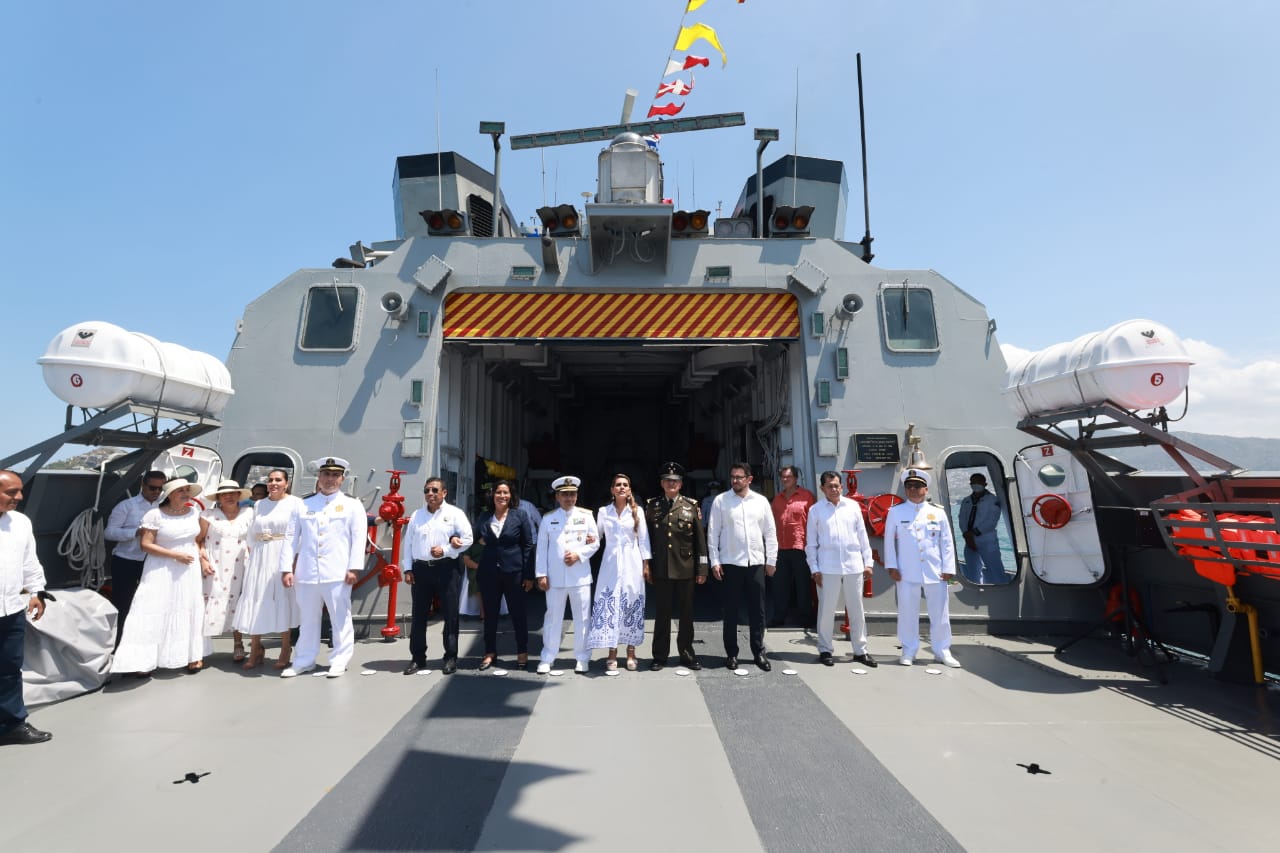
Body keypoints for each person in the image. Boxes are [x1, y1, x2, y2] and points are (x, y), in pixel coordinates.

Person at [109, 478, 207, 675]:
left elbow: (196, 539)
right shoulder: (154, 515)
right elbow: (146, 544)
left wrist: (201, 554)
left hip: (188, 567)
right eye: (181, 490)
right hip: (162, 566)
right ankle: (143, 661)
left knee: (187, 606)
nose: (185, 493)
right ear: (170, 494)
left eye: (187, 490)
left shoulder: (194, 512)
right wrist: (175, 555)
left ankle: (191, 655)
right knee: (152, 607)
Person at [281, 456, 367, 678]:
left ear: (343, 478)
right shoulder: (304, 505)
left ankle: (339, 659)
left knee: (340, 618)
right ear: (318, 477)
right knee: (307, 619)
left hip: (337, 572)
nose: (330, 479)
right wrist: (286, 569)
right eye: (326, 474)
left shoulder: (352, 505)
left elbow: (359, 539)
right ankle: (304, 660)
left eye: (335, 475)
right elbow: (290, 537)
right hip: (307, 572)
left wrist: (354, 568)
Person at [883, 468, 961, 668]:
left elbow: (947, 542)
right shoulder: (896, 512)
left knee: (940, 614)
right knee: (908, 612)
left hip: (935, 571)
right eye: (909, 486)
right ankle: (909, 650)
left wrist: (949, 567)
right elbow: (889, 542)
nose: (913, 490)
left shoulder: (938, 512)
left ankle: (942, 650)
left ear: (926, 489)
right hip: (906, 571)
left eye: (917, 486)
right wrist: (892, 566)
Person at [708, 462, 778, 671]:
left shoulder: (761, 501)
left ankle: (758, 652)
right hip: (730, 562)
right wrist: (714, 561)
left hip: (755, 562)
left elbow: (770, 533)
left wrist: (771, 560)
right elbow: (713, 533)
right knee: (730, 611)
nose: (735, 480)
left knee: (758, 610)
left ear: (749, 479)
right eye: (733, 477)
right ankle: (731, 653)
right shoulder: (721, 501)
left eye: (739, 477)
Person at [400, 476, 473, 676]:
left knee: (450, 614)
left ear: (444, 493)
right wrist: (408, 569)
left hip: (447, 568)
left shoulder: (455, 514)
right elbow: (409, 544)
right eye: (426, 491)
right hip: (421, 570)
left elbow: (468, 538)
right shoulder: (417, 515)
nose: (430, 494)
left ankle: (450, 657)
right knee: (419, 615)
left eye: (434, 490)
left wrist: (447, 549)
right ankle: (418, 658)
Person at [0, 469, 51, 746]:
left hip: (10, 610)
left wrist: (36, 592)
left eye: (20, 491)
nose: (19, 497)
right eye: (11, 492)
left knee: (9, 669)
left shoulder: (20, 522)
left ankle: (11, 725)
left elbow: (30, 560)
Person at [806, 471, 878, 668]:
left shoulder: (853, 507)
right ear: (822, 489)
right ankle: (825, 649)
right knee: (826, 610)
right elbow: (811, 543)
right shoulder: (816, 510)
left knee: (857, 609)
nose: (834, 489)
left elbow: (863, 537)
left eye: (837, 485)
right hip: (827, 567)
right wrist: (814, 568)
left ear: (842, 486)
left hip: (853, 565)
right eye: (829, 486)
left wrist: (868, 563)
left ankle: (860, 650)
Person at [233, 468, 301, 669]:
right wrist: (254, 554)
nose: (274, 483)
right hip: (260, 556)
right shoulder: (260, 504)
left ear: (286, 483)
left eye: (278, 480)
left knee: (282, 600)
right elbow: (252, 533)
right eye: (270, 480)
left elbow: (300, 534)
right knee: (256, 599)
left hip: (283, 555)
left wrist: (293, 562)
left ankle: (285, 648)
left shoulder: (295, 503)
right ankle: (255, 649)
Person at [644, 462, 707, 671]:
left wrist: (702, 569)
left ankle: (687, 654)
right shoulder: (652, 506)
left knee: (686, 615)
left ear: (680, 484)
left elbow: (700, 542)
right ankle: (660, 656)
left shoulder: (691, 506)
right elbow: (647, 540)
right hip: (661, 568)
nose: (671, 484)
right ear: (662, 484)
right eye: (668, 481)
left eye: (675, 481)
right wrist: (647, 566)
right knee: (662, 614)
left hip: (686, 569)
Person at [535, 476, 600, 674]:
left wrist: (579, 554)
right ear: (557, 496)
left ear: (576, 495)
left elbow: (595, 542)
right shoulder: (548, 518)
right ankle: (548, 656)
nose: (568, 498)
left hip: (579, 576)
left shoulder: (586, 516)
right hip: (554, 577)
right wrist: (541, 574)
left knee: (582, 618)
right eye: (564, 494)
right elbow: (541, 549)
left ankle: (582, 658)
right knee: (553, 617)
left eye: (572, 494)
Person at [586, 473, 651, 671]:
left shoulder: (637, 511)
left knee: (631, 601)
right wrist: (586, 541)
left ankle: (631, 653)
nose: (622, 487)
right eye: (618, 485)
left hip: (632, 562)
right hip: (610, 563)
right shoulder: (603, 512)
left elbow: (644, 540)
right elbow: (596, 537)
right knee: (610, 604)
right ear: (612, 490)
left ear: (629, 489)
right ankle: (612, 652)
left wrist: (646, 565)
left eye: (625, 485)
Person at [473, 480, 535, 669]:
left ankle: (522, 652)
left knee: (518, 614)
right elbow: (474, 537)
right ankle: (490, 652)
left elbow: (528, 544)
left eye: (505, 493)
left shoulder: (520, 515)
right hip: (489, 572)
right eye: (498, 492)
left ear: (511, 496)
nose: (502, 496)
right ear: (493, 496)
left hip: (514, 572)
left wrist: (528, 575)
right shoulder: (485, 516)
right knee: (490, 615)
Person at [102, 469, 167, 644]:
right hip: (127, 560)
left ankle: (147, 642)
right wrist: (136, 532)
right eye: (152, 488)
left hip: (153, 561)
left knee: (152, 603)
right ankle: (119, 644)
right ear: (142, 485)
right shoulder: (126, 506)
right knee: (124, 604)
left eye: (160, 489)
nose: (156, 493)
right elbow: (108, 533)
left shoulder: (164, 507)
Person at [198, 480, 254, 661]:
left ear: (239, 495)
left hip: (242, 565)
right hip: (216, 565)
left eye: (232, 493)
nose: (228, 497)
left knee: (238, 602)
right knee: (209, 603)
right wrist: (203, 560)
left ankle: (238, 644)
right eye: (224, 494)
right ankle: (199, 649)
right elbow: (198, 540)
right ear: (218, 498)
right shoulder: (208, 515)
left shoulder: (250, 513)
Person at [769, 465, 817, 628]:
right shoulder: (777, 498)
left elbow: (814, 522)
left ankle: (805, 618)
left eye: (788, 477)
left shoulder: (806, 497)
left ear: (795, 478)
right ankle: (779, 617)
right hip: (780, 548)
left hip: (800, 547)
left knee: (803, 585)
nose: (784, 480)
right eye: (782, 477)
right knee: (779, 585)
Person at [959, 472, 1006, 584]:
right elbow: (962, 519)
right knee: (972, 571)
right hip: (969, 541)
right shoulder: (966, 501)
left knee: (995, 570)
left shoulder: (993, 500)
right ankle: (976, 593)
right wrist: (966, 534)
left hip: (987, 540)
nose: (975, 484)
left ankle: (999, 590)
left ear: (985, 484)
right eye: (973, 482)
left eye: (978, 482)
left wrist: (973, 533)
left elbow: (992, 521)